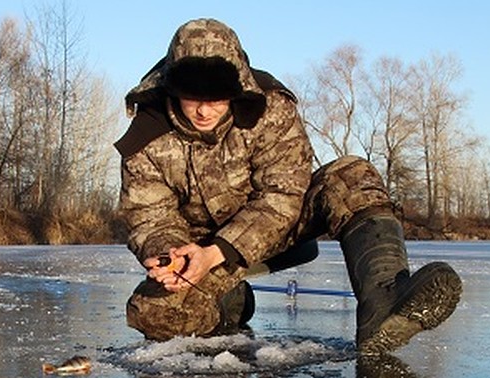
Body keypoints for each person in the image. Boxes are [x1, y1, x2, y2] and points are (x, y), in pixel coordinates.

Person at [114, 18, 461, 353]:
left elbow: (283, 195)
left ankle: (384, 298)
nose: (204, 110)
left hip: (279, 231)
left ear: (236, 90)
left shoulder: (272, 109)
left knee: (351, 176)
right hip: (199, 253)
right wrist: (172, 257)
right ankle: (228, 302)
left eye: (217, 97)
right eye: (192, 96)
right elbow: (150, 217)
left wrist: (217, 251)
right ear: (173, 89)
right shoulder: (147, 134)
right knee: (156, 315)